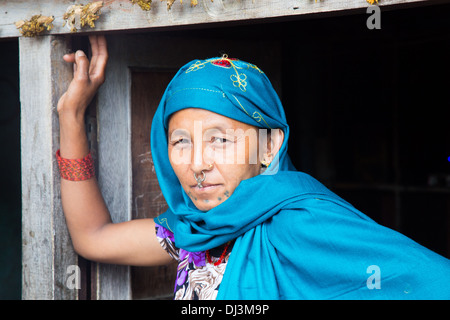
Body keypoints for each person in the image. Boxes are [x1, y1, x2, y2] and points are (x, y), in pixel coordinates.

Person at [57, 35, 450, 300]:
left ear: (270, 145)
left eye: (219, 139)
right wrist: (72, 118)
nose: (197, 164)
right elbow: (93, 237)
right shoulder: (195, 233)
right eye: (180, 142)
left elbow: (431, 281)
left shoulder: (299, 224)